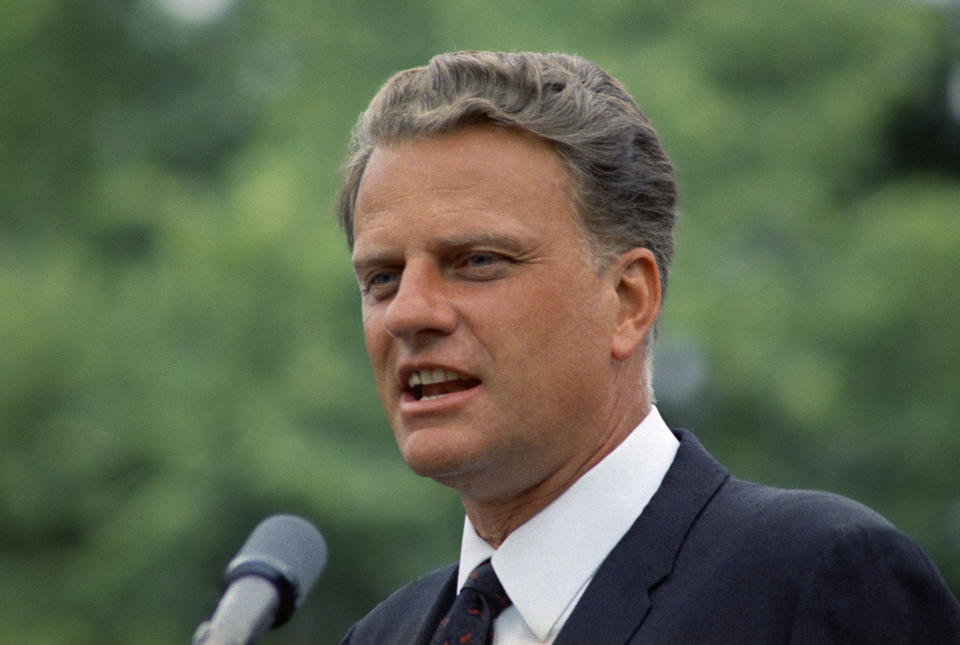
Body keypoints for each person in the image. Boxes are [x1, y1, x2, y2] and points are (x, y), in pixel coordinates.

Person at [335, 50, 960, 644]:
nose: (408, 312)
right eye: (382, 277)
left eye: (475, 261)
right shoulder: (381, 635)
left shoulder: (815, 583)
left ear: (628, 300)